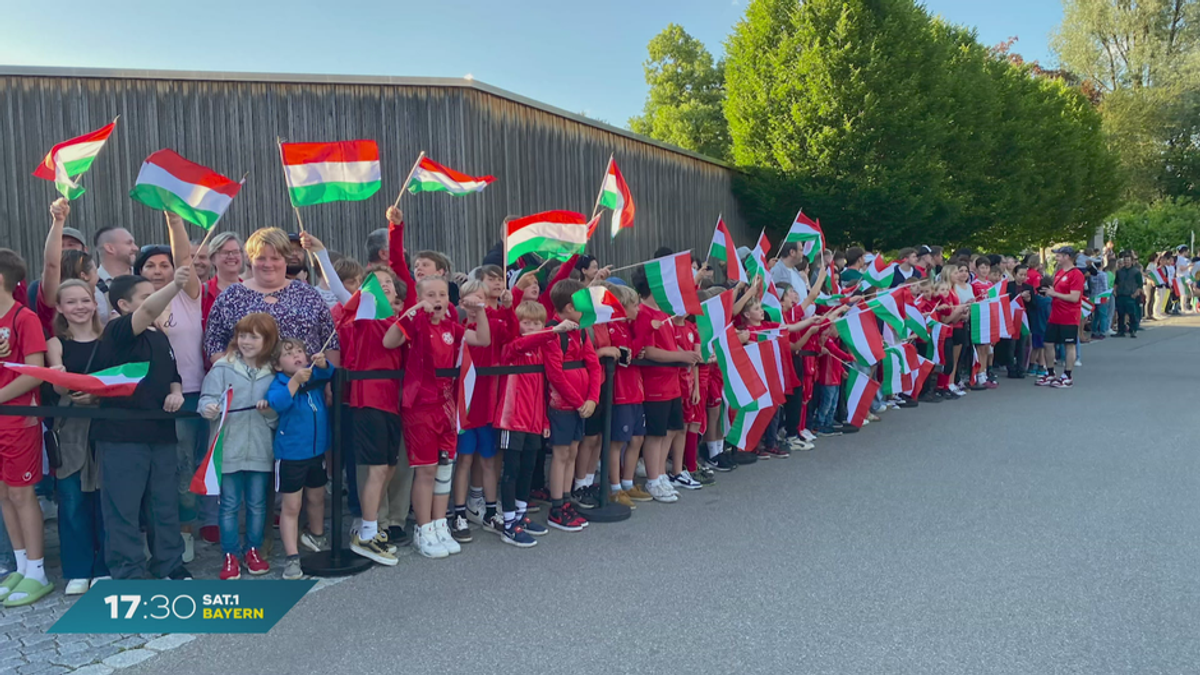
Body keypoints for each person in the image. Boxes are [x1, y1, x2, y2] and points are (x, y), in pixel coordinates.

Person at [92, 266, 192, 581]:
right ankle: (128, 572)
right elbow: (149, 310)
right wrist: (175, 285)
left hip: (161, 433)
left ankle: (169, 564)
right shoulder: (119, 330)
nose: (154, 301)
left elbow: (173, 376)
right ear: (123, 305)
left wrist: (176, 392)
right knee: (123, 509)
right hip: (122, 437)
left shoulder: (159, 337)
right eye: (146, 296)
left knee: (164, 505)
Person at [385, 276, 489, 559]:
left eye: (442, 294)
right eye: (430, 294)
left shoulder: (451, 328)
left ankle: (440, 523)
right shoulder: (415, 324)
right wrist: (414, 311)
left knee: (445, 469)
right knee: (426, 470)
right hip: (420, 406)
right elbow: (389, 341)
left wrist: (478, 311)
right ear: (420, 297)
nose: (437, 299)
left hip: (446, 405)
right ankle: (424, 528)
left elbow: (482, 339)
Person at [199, 312, 279, 580]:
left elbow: (278, 417)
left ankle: (253, 550)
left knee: (258, 505)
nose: (245, 341)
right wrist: (208, 408)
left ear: (267, 341)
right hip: (228, 449)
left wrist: (269, 412)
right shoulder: (222, 368)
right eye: (242, 335)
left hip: (260, 450)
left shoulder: (275, 374)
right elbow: (206, 398)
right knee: (229, 504)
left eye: (253, 337)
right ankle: (230, 554)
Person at [45, 279, 110, 595]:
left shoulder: (110, 338)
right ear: (60, 308)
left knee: (105, 498)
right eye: (71, 302)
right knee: (72, 499)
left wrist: (98, 395)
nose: (79, 307)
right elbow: (57, 377)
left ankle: (104, 567)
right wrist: (71, 385)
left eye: (84, 300)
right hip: (70, 428)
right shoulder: (56, 342)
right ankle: (77, 569)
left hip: (106, 426)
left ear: (94, 303)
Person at [205, 227, 339, 365]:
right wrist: (233, 374)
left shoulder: (309, 295)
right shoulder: (230, 296)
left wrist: (329, 381)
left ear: (286, 259)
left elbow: (330, 342)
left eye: (275, 258)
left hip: (306, 383)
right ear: (250, 260)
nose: (268, 264)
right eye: (261, 258)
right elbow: (214, 342)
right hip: (248, 384)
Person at [0, 249, 51, 607]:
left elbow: (34, 371)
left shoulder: (25, 317)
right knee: (2, 493)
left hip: (18, 417)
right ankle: (19, 565)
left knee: (21, 493)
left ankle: (38, 571)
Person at [495, 301, 566, 547]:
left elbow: (543, 388)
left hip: (534, 420)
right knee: (511, 471)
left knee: (527, 470)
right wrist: (552, 331)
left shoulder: (541, 348)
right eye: (526, 322)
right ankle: (507, 524)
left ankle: (521, 515)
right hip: (511, 418)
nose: (533, 327)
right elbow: (521, 343)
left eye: (537, 323)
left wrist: (545, 419)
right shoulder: (512, 346)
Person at [268, 338, 335, 580]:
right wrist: (295, 381)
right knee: (292, 506)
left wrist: (323, 363)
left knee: (318, 497)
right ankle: (291, 557)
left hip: (317, 451)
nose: (297, 356)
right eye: (288, 354)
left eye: (300, 352)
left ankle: (316, 536)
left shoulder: (314, 376)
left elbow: (331, 373)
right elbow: (278, 403)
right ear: (277, 365)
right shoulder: (280, 383)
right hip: (291, 455)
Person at [632, 266, 699, 502]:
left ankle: (660, 475)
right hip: (655, 384)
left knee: (669, 431)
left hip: (671, 383)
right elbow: (649, 351)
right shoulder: (644, 313)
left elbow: (670, 346)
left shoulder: (662, 313)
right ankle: (653, 479)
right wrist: (681, 356)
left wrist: (685, 353)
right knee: (655, 434)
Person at [541, 279, 601, 528]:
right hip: (563, 405)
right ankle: (557, 507)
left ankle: (566, 500)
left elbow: (594, 364)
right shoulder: (554, 333)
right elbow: (555, 374)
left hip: (581, 403)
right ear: (567, 307)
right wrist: (579, 402)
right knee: (561, 453)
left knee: (573, 451)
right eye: (580, 305)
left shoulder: (580, 330)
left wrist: (593, 398)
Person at [1040, 246, 1084, 388]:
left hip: (1069, 316)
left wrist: (1055, 294)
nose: (1056, 258)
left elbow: (1075, 297)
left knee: (1068, 345)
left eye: (1059, 256)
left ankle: (1067, 375)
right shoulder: (1058, 273)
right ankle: (1050, 372)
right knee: (1048, 343)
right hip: (1055, 314)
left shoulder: (1076, 274)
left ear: (1067, 257)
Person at [92, 225, 138, 323]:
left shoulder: (144, 277)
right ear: (110, 248)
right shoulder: (91, 287)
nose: (136, 248)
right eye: (129, 243)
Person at [202, 232, 244, 327]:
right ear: (213, 258)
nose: (231, 256)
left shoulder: (251, 291)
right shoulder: (203, 292)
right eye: (225, 252)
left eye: (236, 252)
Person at [1113, 252, 1142, 338]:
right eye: (1125, 261)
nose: (1126, 262)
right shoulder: (1119, 271)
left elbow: (1139, 285)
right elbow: (1116, 282)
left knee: (1132, 314)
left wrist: (1136, 294)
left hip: (1130, 295)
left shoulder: (1136, 272)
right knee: (1120, 314)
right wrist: (1115, 291)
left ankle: (1133, 330)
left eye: (1128, 261)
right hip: (1121, 294)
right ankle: (1121, 331)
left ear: (1132, 261)